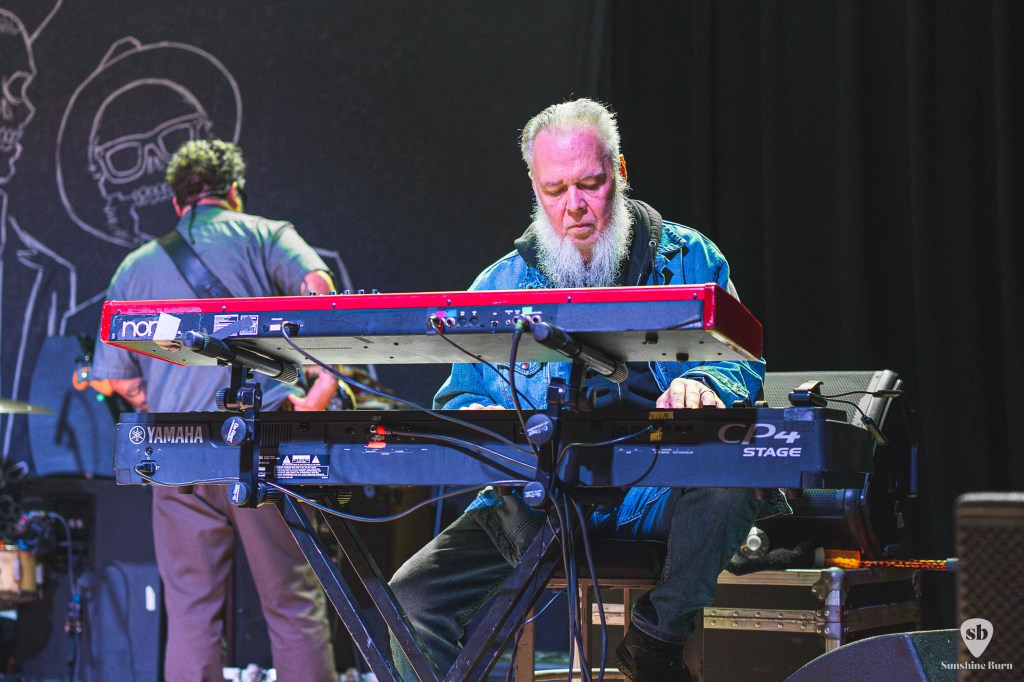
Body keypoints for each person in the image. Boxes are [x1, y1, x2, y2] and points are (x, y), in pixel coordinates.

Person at [389, 99, 775, 682]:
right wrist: (485, 421)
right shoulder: (501, 283)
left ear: (620, 171)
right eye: (555, 189)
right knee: (413, 597)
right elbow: (457, 400)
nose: (574, 206)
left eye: (590, 184)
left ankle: (655, 635)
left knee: (733, 477)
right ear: (534, 187)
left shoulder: (691, 257)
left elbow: (745, 365)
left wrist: (705, 381)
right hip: (544, 499)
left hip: (656, 492)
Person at [92, 139, 337, 681]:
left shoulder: (136, 266)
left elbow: (116, 377)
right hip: (266, 446)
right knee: (293, 604)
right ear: (233, 192)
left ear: (177, 202)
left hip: (178, 457)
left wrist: (163, 397)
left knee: (191, 615)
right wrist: (322, 383)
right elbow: (321, 292)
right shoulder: (267, 234)